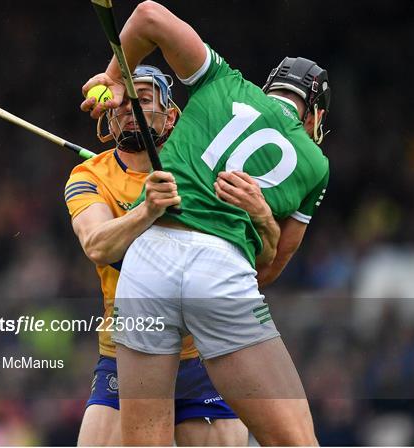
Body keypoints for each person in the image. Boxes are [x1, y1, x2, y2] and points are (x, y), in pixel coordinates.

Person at [80, 2, 331, 446]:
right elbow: (267, 272)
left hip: (146, 262)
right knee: (296, 441)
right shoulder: (315, 164)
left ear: (267, 87)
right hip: (220, 269)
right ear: (315, 116)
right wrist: (263, 223)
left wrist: (115, 80)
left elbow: (149, 14)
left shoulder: (224, 81)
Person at [67, 64, 278, 446]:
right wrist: (147, 210)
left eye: (143, 99)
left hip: (204, 354)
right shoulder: (89, 175)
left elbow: (265, 259)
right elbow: (97, 244)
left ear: (171, 112)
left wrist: (262, 216)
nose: (130, 108)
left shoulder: (206, 169)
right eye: (122, 103)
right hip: (126, 354)